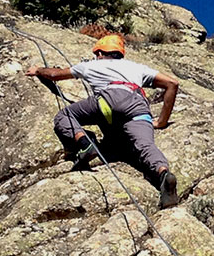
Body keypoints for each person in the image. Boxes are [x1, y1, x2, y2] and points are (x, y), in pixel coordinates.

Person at [24, 34, 181, 208]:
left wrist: (38, 70)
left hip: (109, 100)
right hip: (138, 106)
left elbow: (54, 74)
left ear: (99, 53)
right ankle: (163, 174)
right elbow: (172, 83)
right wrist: (161, 121)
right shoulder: (137, 67)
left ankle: (85, 143)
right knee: (145, 146)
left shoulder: (92, 65)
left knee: (64, 116)